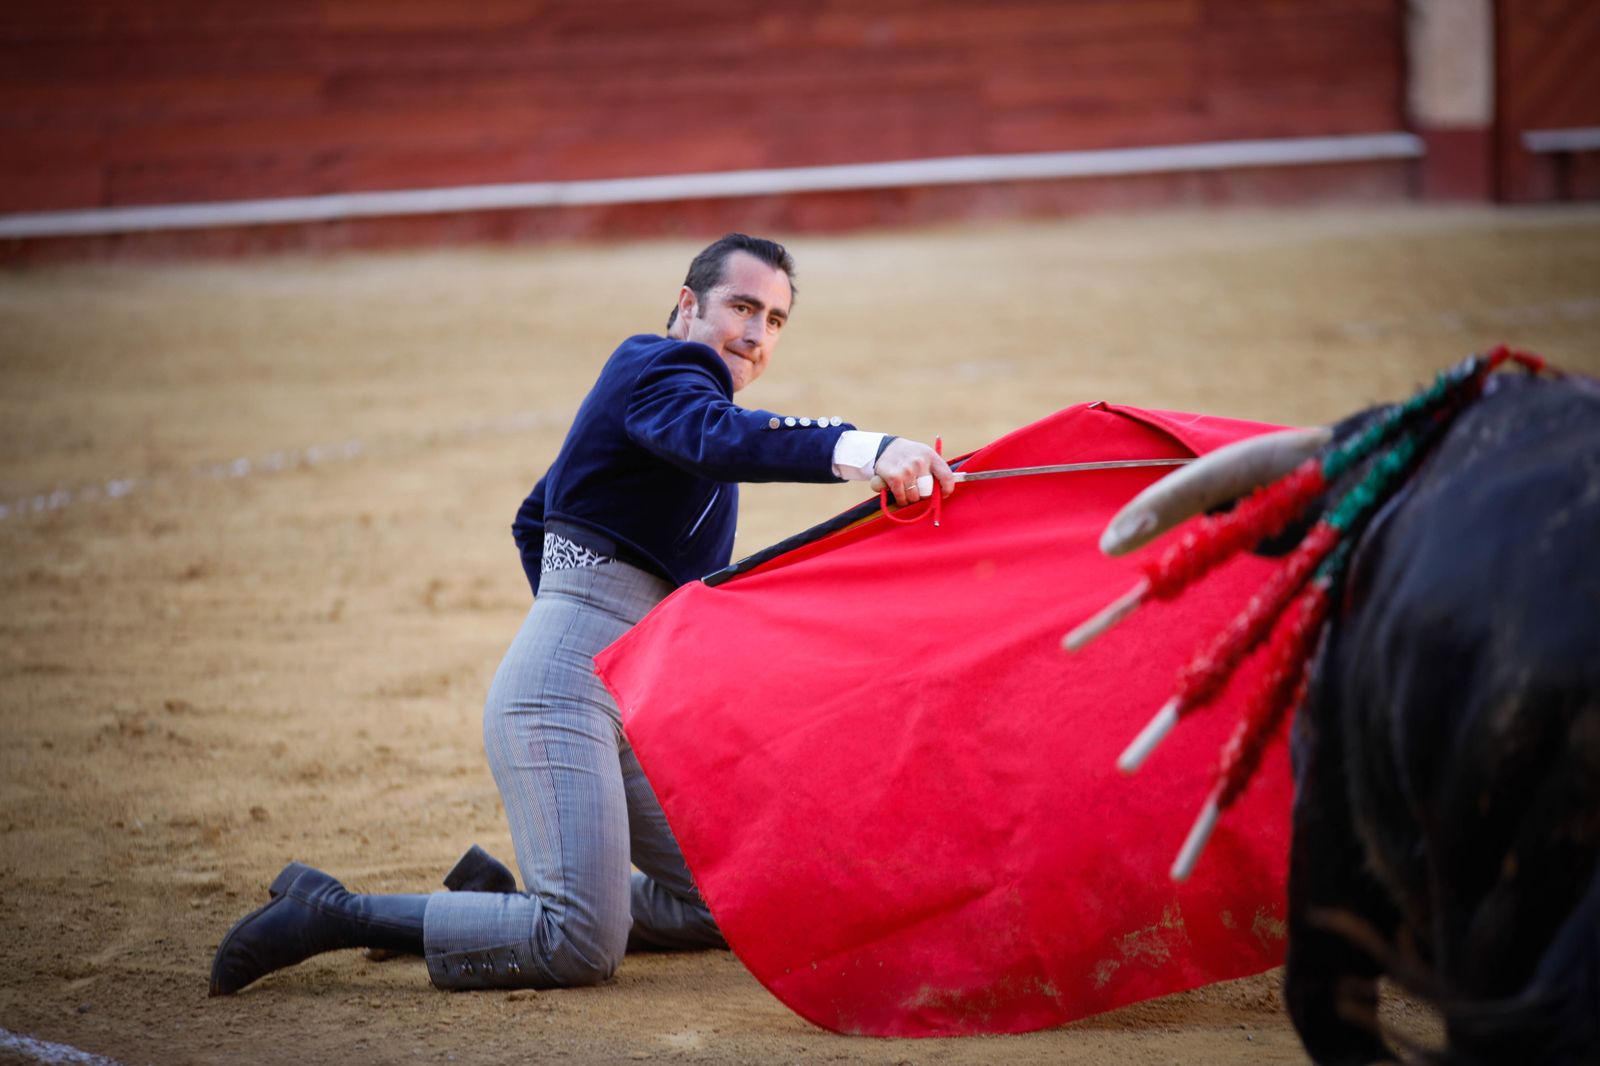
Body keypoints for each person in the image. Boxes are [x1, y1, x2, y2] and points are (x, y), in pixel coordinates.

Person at [209, 233, 954, 995]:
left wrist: (584, 617)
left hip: (603, 694)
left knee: (720, 902)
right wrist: (866, 449)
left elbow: (534, 516)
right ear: (688, 304)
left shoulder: (663, 401)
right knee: (579, 944)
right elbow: (712, 437)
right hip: (563, 692)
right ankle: (335, 912)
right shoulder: (664, 367)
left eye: (775, 319)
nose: (757, 335)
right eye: (741, 307)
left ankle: (494, 907)